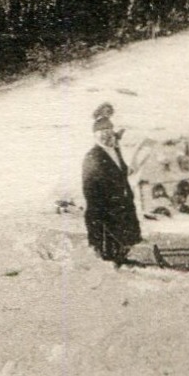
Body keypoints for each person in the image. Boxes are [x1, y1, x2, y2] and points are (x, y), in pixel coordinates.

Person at [81, 112, 140, 264]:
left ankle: (121, 260)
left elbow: (117, 170)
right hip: (104, 209)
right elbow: (89, 188)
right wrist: (102, 208)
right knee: (108, 245)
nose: (107, 136)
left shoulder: (114, 150)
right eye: (102, 133)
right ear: (95, 136)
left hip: (121, 205)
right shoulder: (92, 156)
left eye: (109, 132)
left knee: (123, 240)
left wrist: (127, 170)